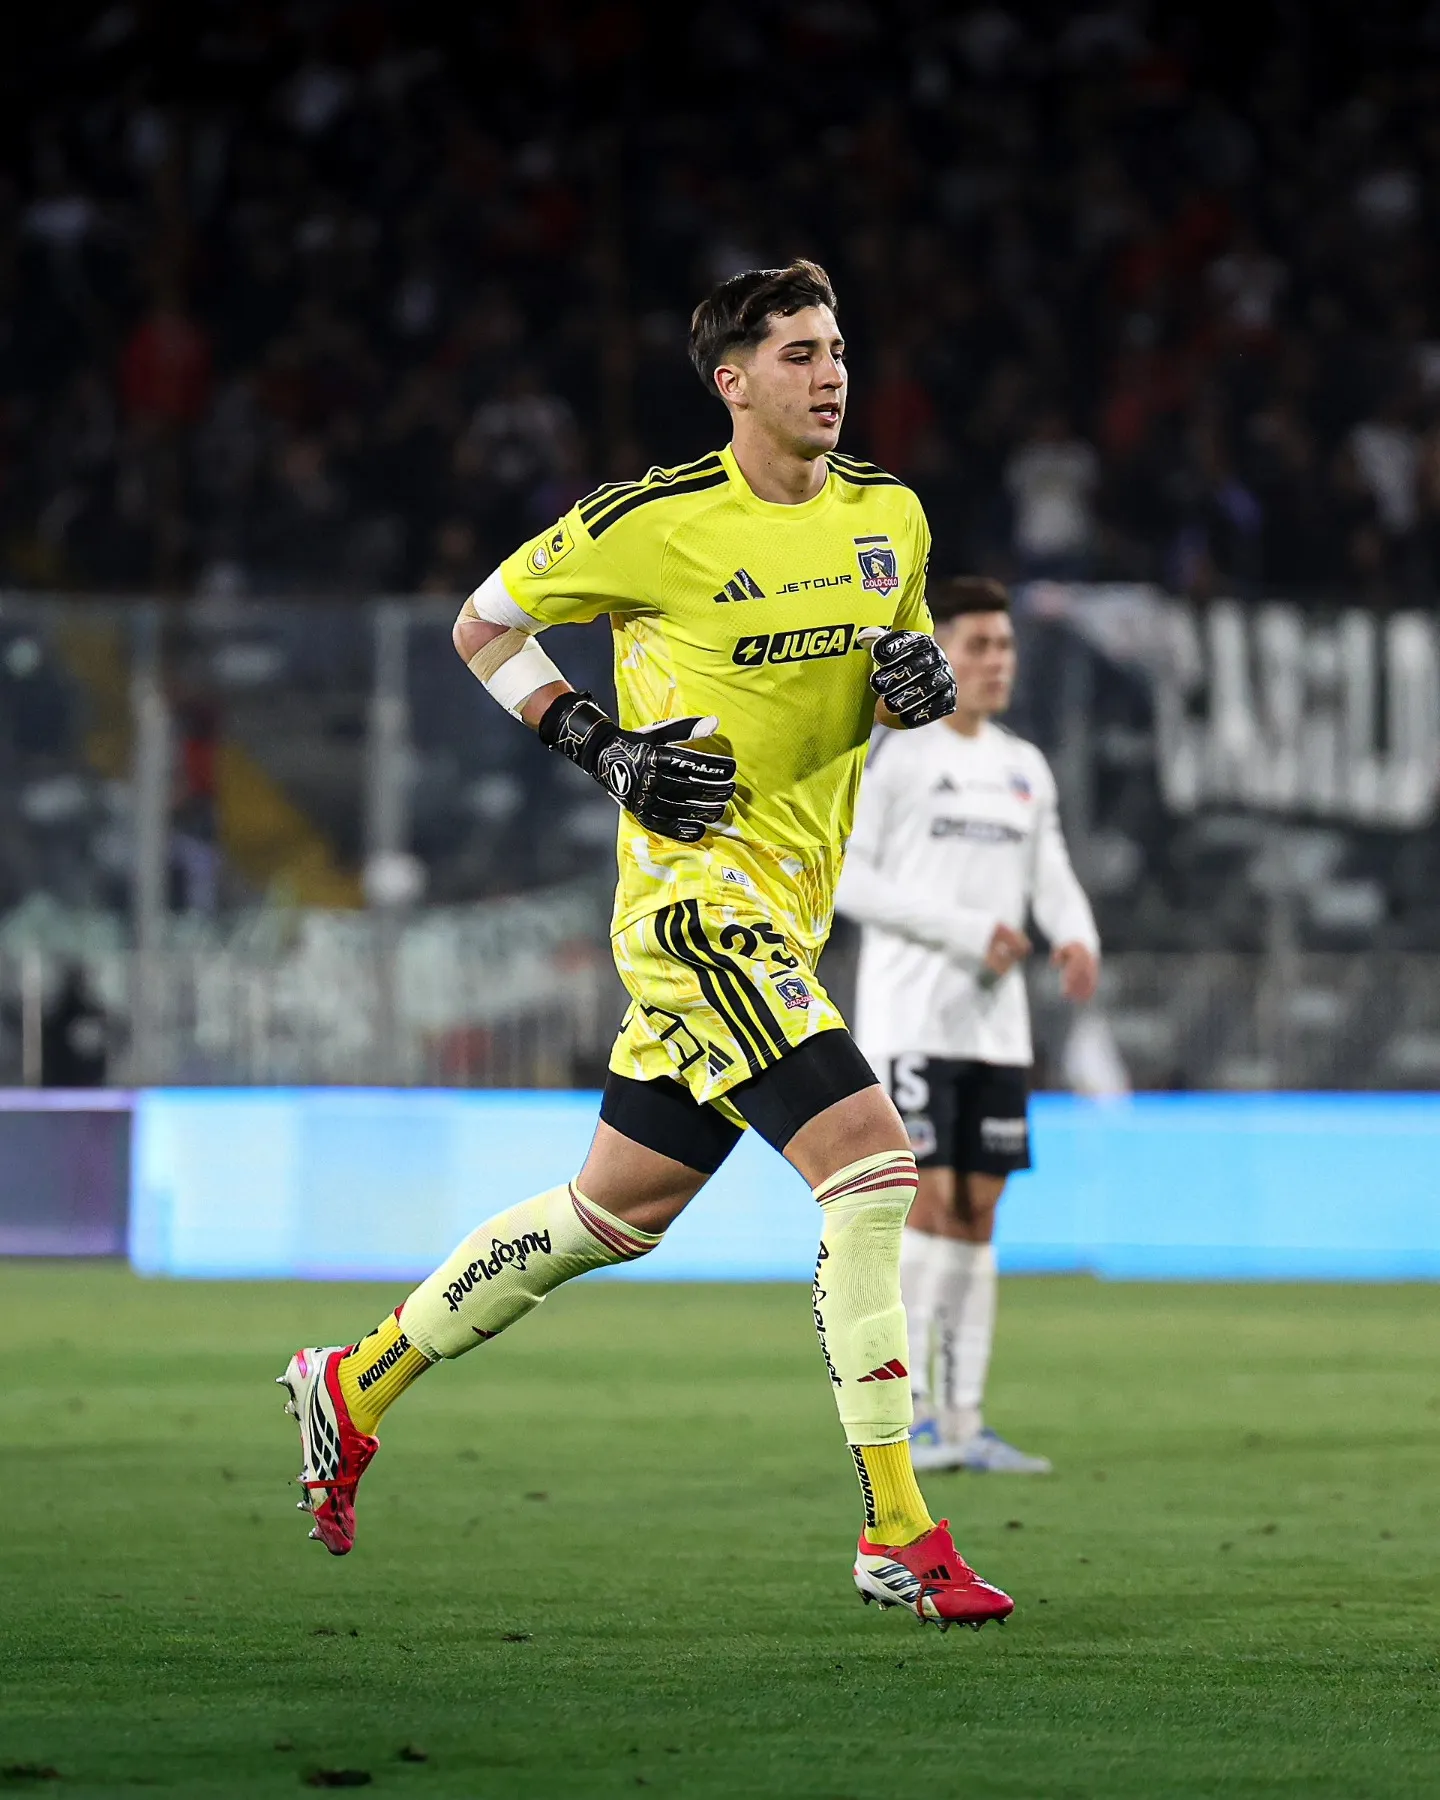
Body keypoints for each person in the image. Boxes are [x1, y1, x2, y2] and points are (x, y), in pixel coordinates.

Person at [278, 262, 1013, 1630]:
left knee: (613, 1212)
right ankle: (900, 1533)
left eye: (839, 347)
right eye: (798, 353)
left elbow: (891, 673)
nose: (830, 373)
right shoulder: (653, 521)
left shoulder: (888, 516)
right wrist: (597, 744)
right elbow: (483, 624)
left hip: (788, 907)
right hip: (694, 910)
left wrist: (909, 685)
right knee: (870, 1166)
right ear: (732, 381)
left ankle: (354, 1382)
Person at [834, 576, 1100, 1475]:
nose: (997, 662)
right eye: (979, 645)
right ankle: (909, 1414)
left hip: (997, 1028)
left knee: (980, 1212)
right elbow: (848, 881)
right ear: (940, 651)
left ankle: (965, 1421)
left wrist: (1074, 935)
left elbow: (1050, 867)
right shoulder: (895, 755)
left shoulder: (1024, 765)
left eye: (1006, 646)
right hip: (913, 1016)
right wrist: (964, 933)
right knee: (930, 1204)